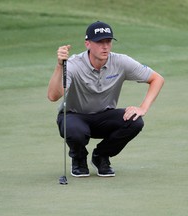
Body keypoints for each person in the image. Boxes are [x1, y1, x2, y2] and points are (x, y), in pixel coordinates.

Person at [47, 21, 164, 178]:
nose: (105, 46)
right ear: (87, 44)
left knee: (135, 121)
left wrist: (143, 107)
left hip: (104, 117)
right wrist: (60, 66)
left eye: (108, 41)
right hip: (74, 116)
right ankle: (79, 158)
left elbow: (157, 79)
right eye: (100, 42)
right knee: (75, 130)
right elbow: (53, 96)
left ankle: (101, 156)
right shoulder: (74, 64)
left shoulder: (120, 61)